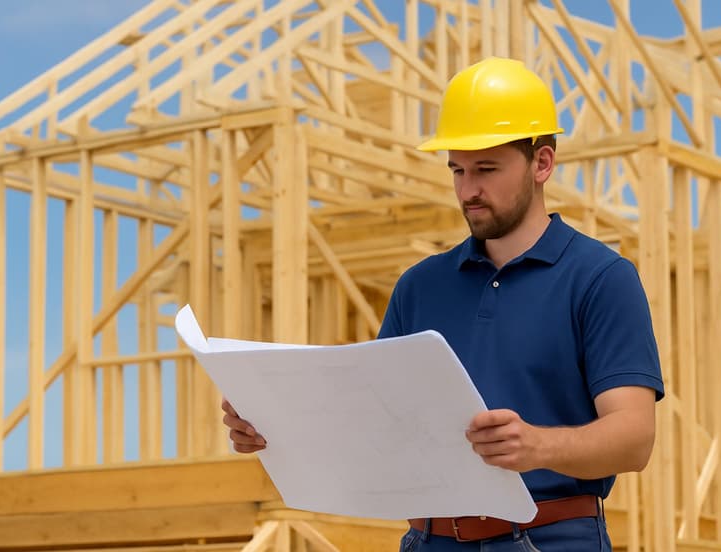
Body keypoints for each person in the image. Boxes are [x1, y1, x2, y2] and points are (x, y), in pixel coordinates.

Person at [222, 57, 664, 551]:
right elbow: (375, 425)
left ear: (542, 163)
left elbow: (634, 437)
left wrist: (537, 445)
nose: (468, 190)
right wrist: (275, 427)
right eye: (457, 169)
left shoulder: (601, 279)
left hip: (550, 540)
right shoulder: (420, 286)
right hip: (427, 541)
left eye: (487, 169)